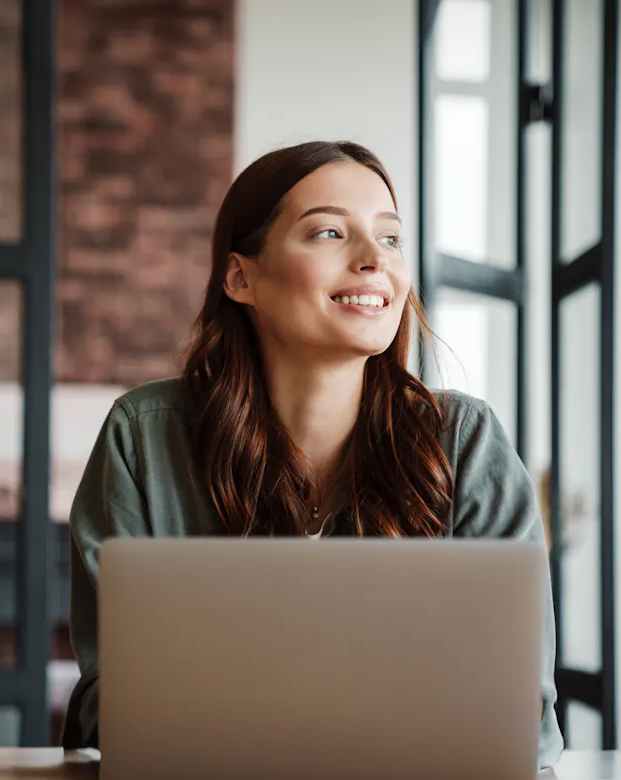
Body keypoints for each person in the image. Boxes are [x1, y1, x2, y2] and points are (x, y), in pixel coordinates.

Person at [61, 140, 563, 768]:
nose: (372, 261)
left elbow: (523, 719)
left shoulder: (463, 441)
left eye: (390, 239)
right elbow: (112, 706)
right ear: (241, 277)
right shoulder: (145, 435)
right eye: (329, 232)